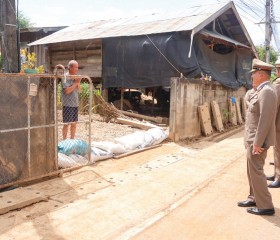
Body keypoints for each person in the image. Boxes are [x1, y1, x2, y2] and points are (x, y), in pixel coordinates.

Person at [237, 58, 277, 216]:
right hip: (252, 140)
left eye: (254, 73)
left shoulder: (267, 91)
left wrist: (257, 143)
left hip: (257, 142)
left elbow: (265, 121)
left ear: (261, 74)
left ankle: (265, 205)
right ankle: (254, 197)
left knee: (257, 171)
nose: (252, 76)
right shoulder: (260, 90)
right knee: (252, 171)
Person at [266, 59, 280, 188]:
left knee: (278, 150)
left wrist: (269, 125)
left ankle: (279, 176)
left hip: (278, 124)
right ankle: (276, 173)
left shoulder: (278, 83)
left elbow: (274, 106)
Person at [61, 60, 81, 139]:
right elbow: (67, 91)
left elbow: (79, 90)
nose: (77, 69)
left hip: (75, 103)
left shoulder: (76, 77)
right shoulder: (65, 77)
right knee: (66, 124)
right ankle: (64, 141)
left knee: (74, 124)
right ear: (70, 68)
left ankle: (72, 141)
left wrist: (78, 82)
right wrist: (76, 83)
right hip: (68, 104)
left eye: (77, 67)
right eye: (75, 67)